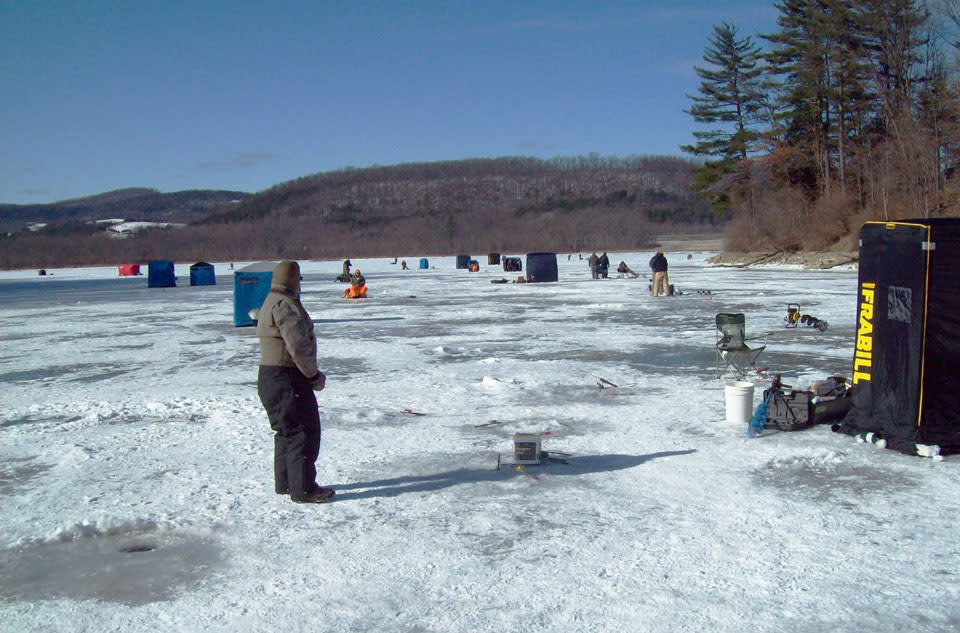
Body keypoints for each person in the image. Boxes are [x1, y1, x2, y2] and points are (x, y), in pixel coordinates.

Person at [257, 261, 333, 503]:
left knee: (286, 431)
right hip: (286, 377)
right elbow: (298, 346)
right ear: (292, 279)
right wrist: (312, 375)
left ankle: (287, 483)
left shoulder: (270, 300)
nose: (300, 282)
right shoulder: (285, 305)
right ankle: (304, 488)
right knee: (302, 432)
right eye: (299, 278)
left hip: (271, 376)